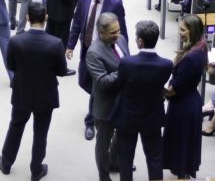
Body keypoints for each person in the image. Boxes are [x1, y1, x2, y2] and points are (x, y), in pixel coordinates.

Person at [0, 3, 67, 181]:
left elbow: (11, 66)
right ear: (46, 18)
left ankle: (6, 163)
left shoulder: (15, 41)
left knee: (16, 126)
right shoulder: (55, 43)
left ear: (27, 18)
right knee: (41, 132)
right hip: (46, 94)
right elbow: (62, 71)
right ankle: (36, 170)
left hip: (22, 92)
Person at [67, 0, 129, 141]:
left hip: (105, 51)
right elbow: (78, 22)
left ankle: (91, 120)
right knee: (83, 81)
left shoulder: (115, 2)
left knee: (98, 85)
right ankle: (102, 105)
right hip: (87, 48)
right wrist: (70, 45)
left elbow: (121, 29)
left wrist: (125, 54)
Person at [111, 20, 173, 181]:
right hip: (152, 117)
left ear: (140, 41)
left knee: (125, 160)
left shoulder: (127, 62)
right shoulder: (166, 65)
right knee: (154, 159)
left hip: (128, 117)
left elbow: (119, 84)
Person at [163, 15, 208, 180]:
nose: (179, 33)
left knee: (180, 144)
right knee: (185, 144)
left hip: (183, 105)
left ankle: (182, 176)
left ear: (193, 31)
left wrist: (157, 93)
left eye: (183, 30)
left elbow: (175, 89)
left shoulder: (190, 58)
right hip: (191, 100)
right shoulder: (201, 45)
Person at [86, 13, 129, 181]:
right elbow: (103, 81)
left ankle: (114, 162)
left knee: (122, 135)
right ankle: (104, 175)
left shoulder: (121, 39)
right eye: (112, 33)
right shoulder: (93, 53)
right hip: (106, 106)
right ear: (101, 32)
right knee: (103, 143)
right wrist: (125, 72)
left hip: (124, 101)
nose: (117, 35)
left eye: (118, 30)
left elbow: (127, 58)